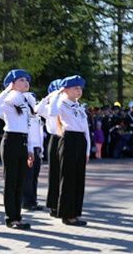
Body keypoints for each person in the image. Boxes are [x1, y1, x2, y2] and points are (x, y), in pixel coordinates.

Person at [0, 69, 35, 230]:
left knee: (20, 182)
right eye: (21, 80)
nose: (26, 82)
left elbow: (27, 125)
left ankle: (18, 217)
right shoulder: (7, 99)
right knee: (11, 181)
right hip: (11, 141)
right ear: (12, 84)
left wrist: (29, 148)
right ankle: (11, 218)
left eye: (27, 79)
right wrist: (5, 91)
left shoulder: (26, 101)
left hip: (22, 141)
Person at [47, 75, 90, 226]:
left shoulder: (79, 106)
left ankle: (75, 212)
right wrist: (57, 95)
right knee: (68, 178)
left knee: (79, 179)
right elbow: (51, 112)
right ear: (66, 90)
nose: (79, 91)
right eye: (75, 88)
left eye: (80, 88)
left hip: (80, 141)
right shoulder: (61, 104)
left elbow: (86, 130)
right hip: (69, 139)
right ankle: (66, 214)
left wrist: (87, 151)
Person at [36, 79, 62, 217]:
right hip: (55, 138)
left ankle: (63, 204)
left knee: (65, 174)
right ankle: (53, 205)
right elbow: (37, 109)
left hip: (67, 139)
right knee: (55, 174)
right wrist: (48, 98)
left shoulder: (67, 105)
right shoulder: (48, 107)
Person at [22, 96, 44, 211]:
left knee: (34, 177)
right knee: (28, 177)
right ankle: (26, 201)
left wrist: (41, 149)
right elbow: (28, 135)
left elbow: (40, 135)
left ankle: (33, 200)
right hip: (29, 149)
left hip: (37, 149)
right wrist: (29, 152)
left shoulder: (37, 118)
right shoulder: (25, 117)